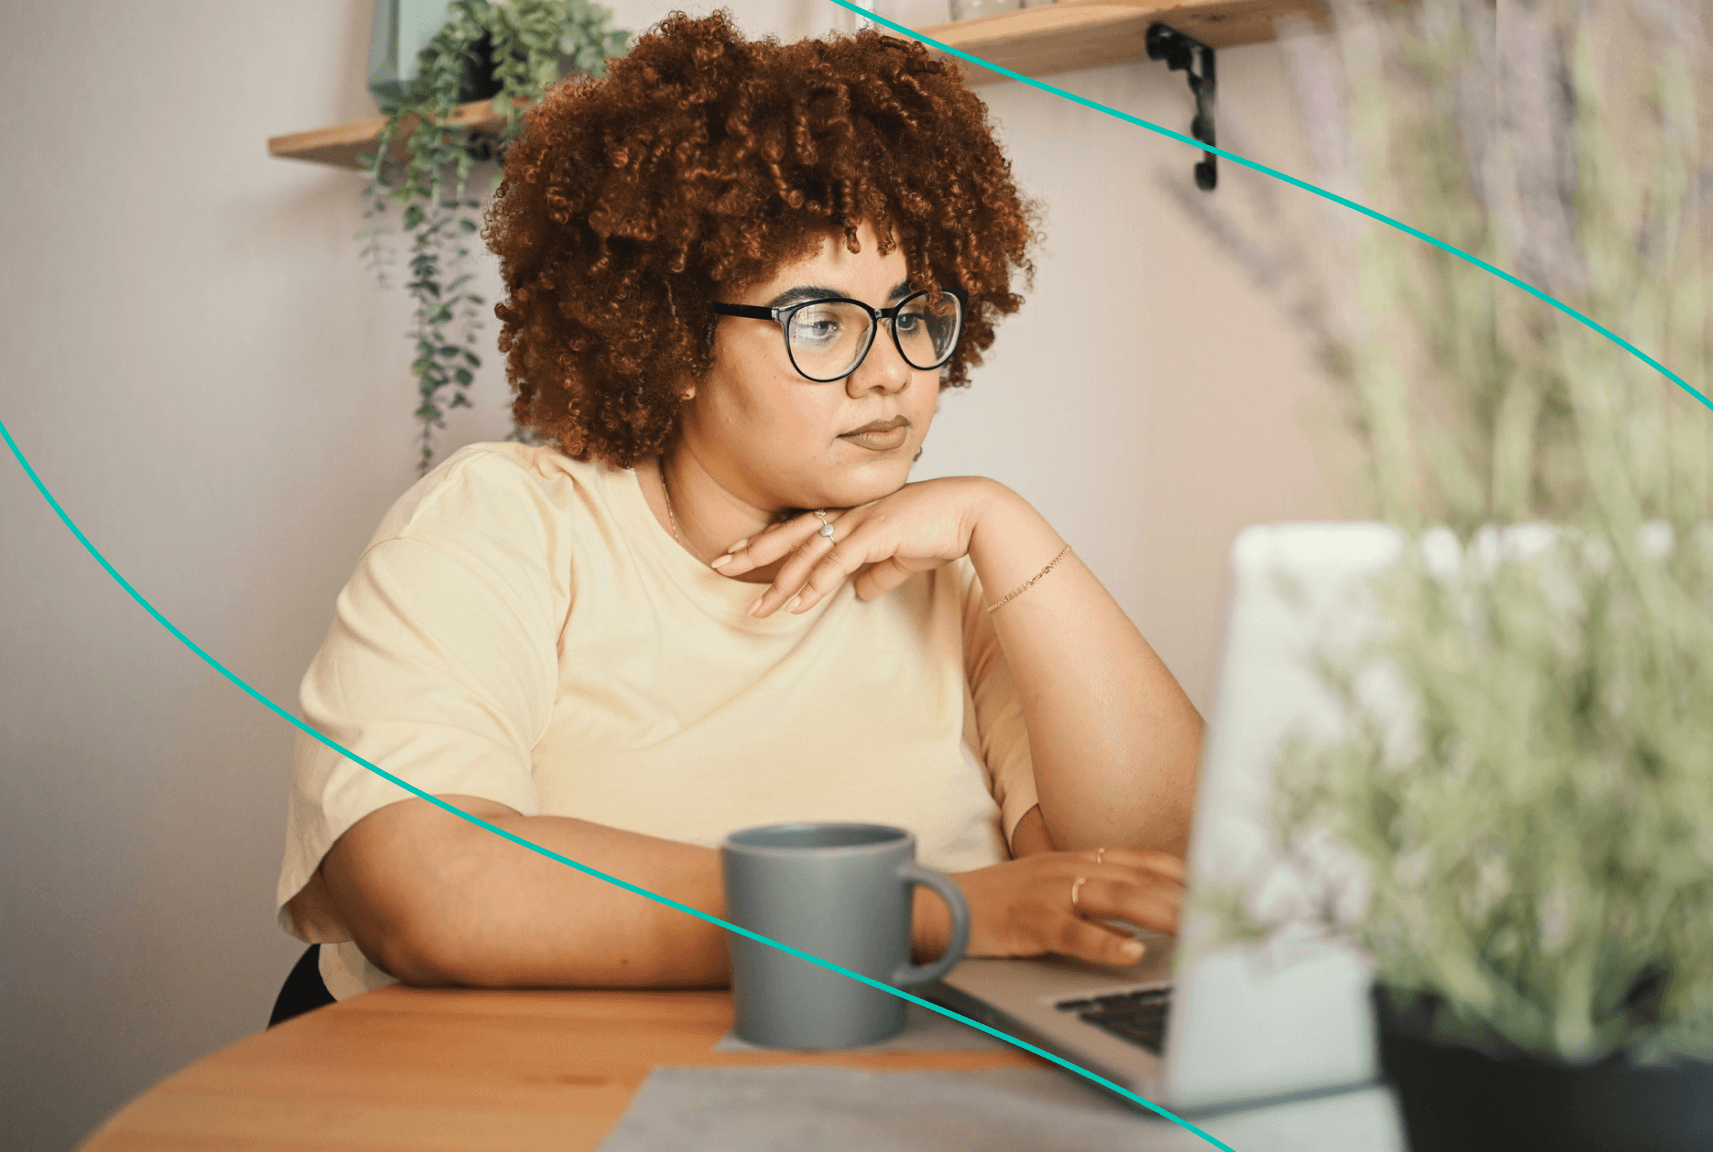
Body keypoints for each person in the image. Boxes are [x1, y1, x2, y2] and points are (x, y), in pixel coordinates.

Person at [270, 10, 1203, 1021]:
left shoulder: (957, 577)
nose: (891, 374)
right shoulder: (501, 525)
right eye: (822, 321)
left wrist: (1007, 526)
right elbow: (422, 885)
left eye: (918, 312)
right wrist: (918, 912)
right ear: (669, 333)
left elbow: (1156, 877)